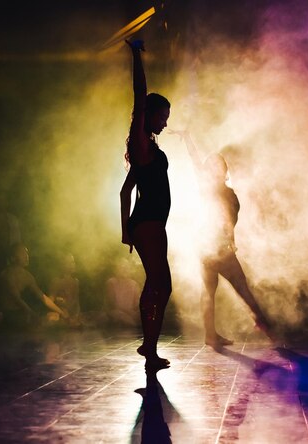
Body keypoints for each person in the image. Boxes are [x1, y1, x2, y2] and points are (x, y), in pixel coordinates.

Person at [181, 130, 273, 349]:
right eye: (213, 165)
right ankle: (268, 328)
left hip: (209, 246)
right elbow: (196, 162)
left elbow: (228, 219)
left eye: (219, 164)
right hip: (213, 246)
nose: (216, 167)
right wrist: (188, 138)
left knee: (210, 290)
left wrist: (231, 238)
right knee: (241, 287)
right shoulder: (210, 188)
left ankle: (211, 335)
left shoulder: (224, 192)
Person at [120, 39, 172, 369]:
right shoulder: (141, 144)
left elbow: (125, 192)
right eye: (163, 117)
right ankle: (149, 350)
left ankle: (148, 346)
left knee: (158, 285)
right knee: (161, 285)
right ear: (149, 115)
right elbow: (139, 95)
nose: (165, 122)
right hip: (149, 225)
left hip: (148, 225)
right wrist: (136, 54)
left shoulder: (146, 152)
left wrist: (126, 232)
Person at [0, 243, 69, 330]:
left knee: (54, 317)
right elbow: (17, 299)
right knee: (46, 322)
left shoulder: (27, 276)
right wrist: (33, 315)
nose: (27, 256)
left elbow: (42, 297)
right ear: (13, 258)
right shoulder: (7, 275)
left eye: (27, 253)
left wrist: (60, 312)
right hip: (8, 314)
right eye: (23, 253)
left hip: (22, 312)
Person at [105, 256, 141, 328]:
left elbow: (137, 304)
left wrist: (136, 312)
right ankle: (134, 326)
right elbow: (112, 305)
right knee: (119, 315)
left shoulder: (134, 284)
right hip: (117, 313)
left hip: (131, 314)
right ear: (116, 269)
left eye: (126, 267)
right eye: (122, 267)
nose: (124, 269)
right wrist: (127, 312)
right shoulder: (111, 283)